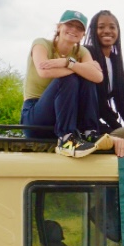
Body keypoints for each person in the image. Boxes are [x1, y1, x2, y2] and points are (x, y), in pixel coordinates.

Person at [21, 10, 110, 158]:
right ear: (59, 27)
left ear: (83, 34)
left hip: (66, 116)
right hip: (36, 116)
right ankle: (66, 140)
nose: (74, 30)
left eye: (79, 28)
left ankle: (90, 132)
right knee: (70, 79)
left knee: (86, 80)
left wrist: (67, 62)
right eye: (70, 25)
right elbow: (44, 71)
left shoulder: (81, 51)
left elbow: (98, 77)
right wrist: (79, 68)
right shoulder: (41, 44)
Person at [83, 10, 124, 132]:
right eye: (101, 27)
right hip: (83, 119)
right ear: (93, 31)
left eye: (112, 27)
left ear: (118, 31)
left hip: (100, 118)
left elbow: (122, 101)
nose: (107, 31)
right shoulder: (87, 53)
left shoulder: (115, 60)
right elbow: (96, 99)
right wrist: (116, 125)